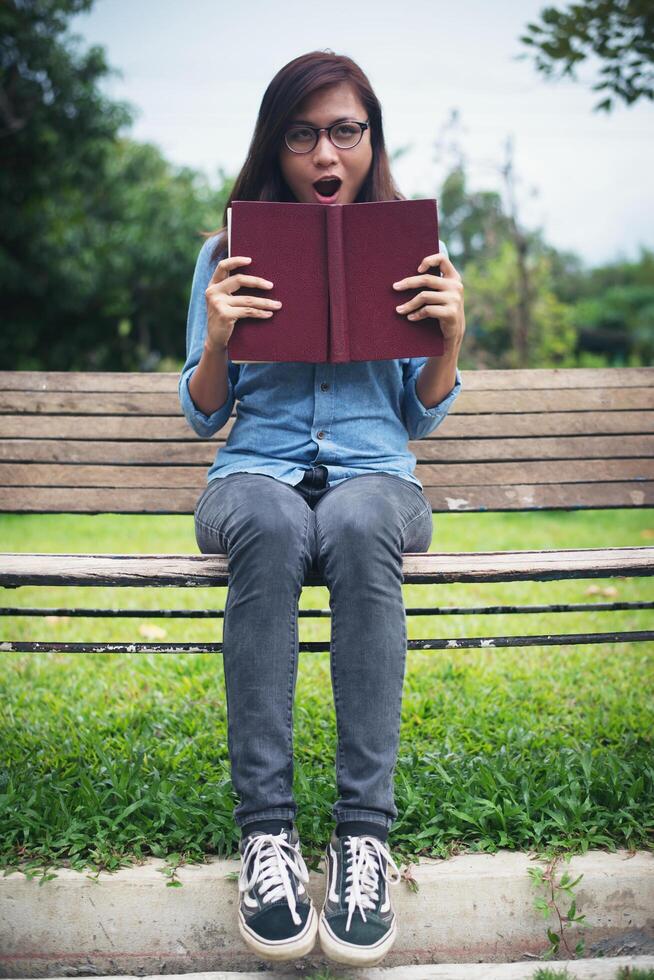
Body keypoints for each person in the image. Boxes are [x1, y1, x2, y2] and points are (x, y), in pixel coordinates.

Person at [178, 50, 465, 968]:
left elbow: (420, 413)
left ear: (371, 143)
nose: (324, 152)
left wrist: (449, 338)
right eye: (302, 134)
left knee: (352, 519)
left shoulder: (407, 249)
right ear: (279, 147)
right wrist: (220, 337)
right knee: (269, 520)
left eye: (345, 130)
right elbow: (202, 412)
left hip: (377, 479)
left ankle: (362, 842)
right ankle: (265, 838)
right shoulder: (224, 253)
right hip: (254, 474)